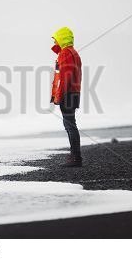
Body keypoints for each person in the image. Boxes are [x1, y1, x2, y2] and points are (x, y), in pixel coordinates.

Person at [50, 27, 83, 167]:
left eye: (56, 38)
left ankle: (75, 157)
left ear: (62, 38)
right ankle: (74, 156)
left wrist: (58, 96)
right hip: (74, 93)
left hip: (67, 93)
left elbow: (64, 77)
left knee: (69, 125)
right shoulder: (74, 53)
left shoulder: (65, 53)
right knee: (69, 124)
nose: (54, 41)